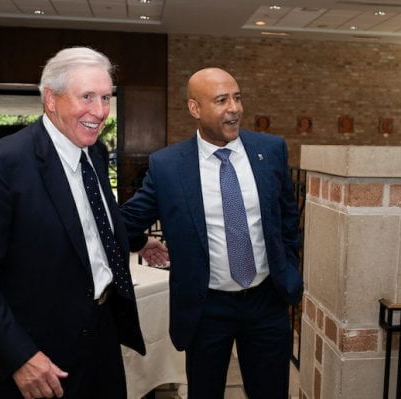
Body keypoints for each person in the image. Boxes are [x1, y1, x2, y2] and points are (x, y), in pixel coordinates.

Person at [0, 47, 166, 399]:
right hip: (40, 356)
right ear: (51, 99)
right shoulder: (1, 167)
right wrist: (20, 357)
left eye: (106, 97)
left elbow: (91, 222)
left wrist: (138, 241)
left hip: (103, 337)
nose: (100, 111)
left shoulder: (94, 151)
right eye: (87, 97)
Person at [120, 67, 303, 398]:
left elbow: (287, 215)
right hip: (206, 308)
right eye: (221, 100)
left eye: (237, 97)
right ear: (195, 109)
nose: (234, 108)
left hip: (266, 300)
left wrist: (288, 267)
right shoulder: (168, 166)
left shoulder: (271, 150)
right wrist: (140, 241)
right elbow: (126, 222)